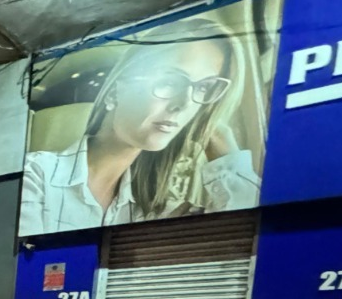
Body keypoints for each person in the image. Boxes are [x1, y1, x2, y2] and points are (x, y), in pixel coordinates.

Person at [19, 14, 260, 235]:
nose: (184, 103)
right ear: (116, 89)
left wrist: (229, 163)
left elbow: (255, 241)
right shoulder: (34, 178)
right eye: (170, 81)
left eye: (203, 87)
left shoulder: (158, 213)